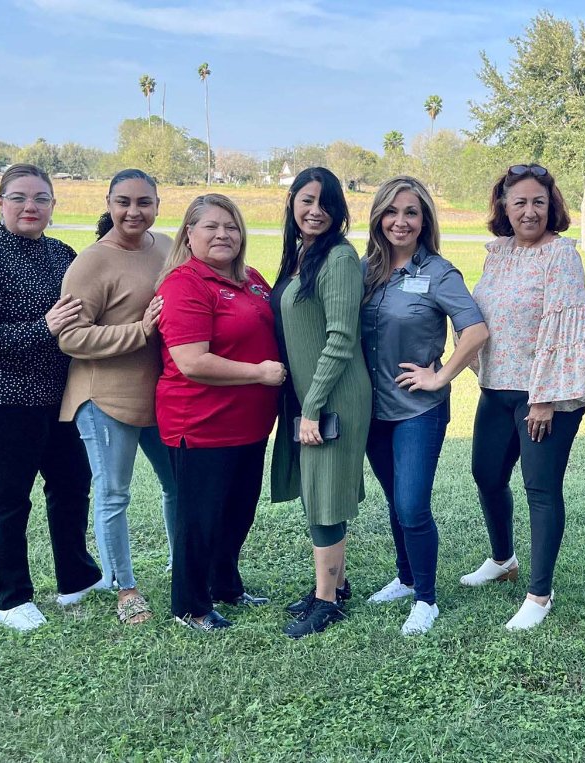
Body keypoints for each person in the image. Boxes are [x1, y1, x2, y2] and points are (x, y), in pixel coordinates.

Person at [0, 163, 102, 632]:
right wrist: (40, 329)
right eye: (19, 198)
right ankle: (10, 599)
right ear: (1, 203)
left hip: (57, 399)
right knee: (10, 496)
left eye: (41, 199)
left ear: (53, 205)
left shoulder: (61, 254)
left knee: (71, 485)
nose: (31, 207)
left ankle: (77, 578)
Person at [359, 176, 488, 636]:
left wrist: (439, 375)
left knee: (412, 505)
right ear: (378, 217)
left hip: (418, 409)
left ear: (424, 220)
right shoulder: (365, 270)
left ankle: (426, 598)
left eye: (411, 212)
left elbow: (475, 330)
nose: (400, 221)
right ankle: (405, 575)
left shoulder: (438, 272)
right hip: (371, 411)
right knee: (395, 500)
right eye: (391, 212)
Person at [463, 163, 585, 631]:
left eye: (539, 201)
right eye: (520, 202)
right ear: (504, 207)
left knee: (540, 488)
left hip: (543, 397)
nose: (530, 211)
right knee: (486, 474)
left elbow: (564, 326)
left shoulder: (561, 256)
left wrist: (544, 398)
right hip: (496, 388)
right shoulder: (498, 253)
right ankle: (502, 560)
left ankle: (539, 594)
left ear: (550, 204)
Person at [155, 194, 284, 632]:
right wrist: (260, 373)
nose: (222, 234)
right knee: (201, 518)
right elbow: (192, 361)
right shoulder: (184, 284)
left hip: (248, 424)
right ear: (189, 234)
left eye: (230, 226)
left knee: (237, 512)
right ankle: (190, 605)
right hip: (202, 423)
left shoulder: (252, 280)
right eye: (210, 226)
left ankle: (225, 585)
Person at [58, 169, 178, 625]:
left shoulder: (165, 247)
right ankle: (125, 589)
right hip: (104, 398)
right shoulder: (92, 262)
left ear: (157, 204)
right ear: (108, 203)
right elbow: (69, 336)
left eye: (144, 202)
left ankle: (182, 565)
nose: (134, 211)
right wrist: (140, 330)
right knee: (113, 495)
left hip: (160, 397)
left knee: (177, 488)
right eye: (124, 202)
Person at [269, 168, 371, 639]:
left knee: (325, 497)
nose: (315, 211)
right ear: (292, 201)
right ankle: (334, 584)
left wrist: (312, 406)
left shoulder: (339, 259)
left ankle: (327, 602)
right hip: (308, 396)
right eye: (307, 200)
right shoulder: (301, 255)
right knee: (315, 490)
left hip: (333, 396)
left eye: (326, 203)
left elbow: (340, 337)